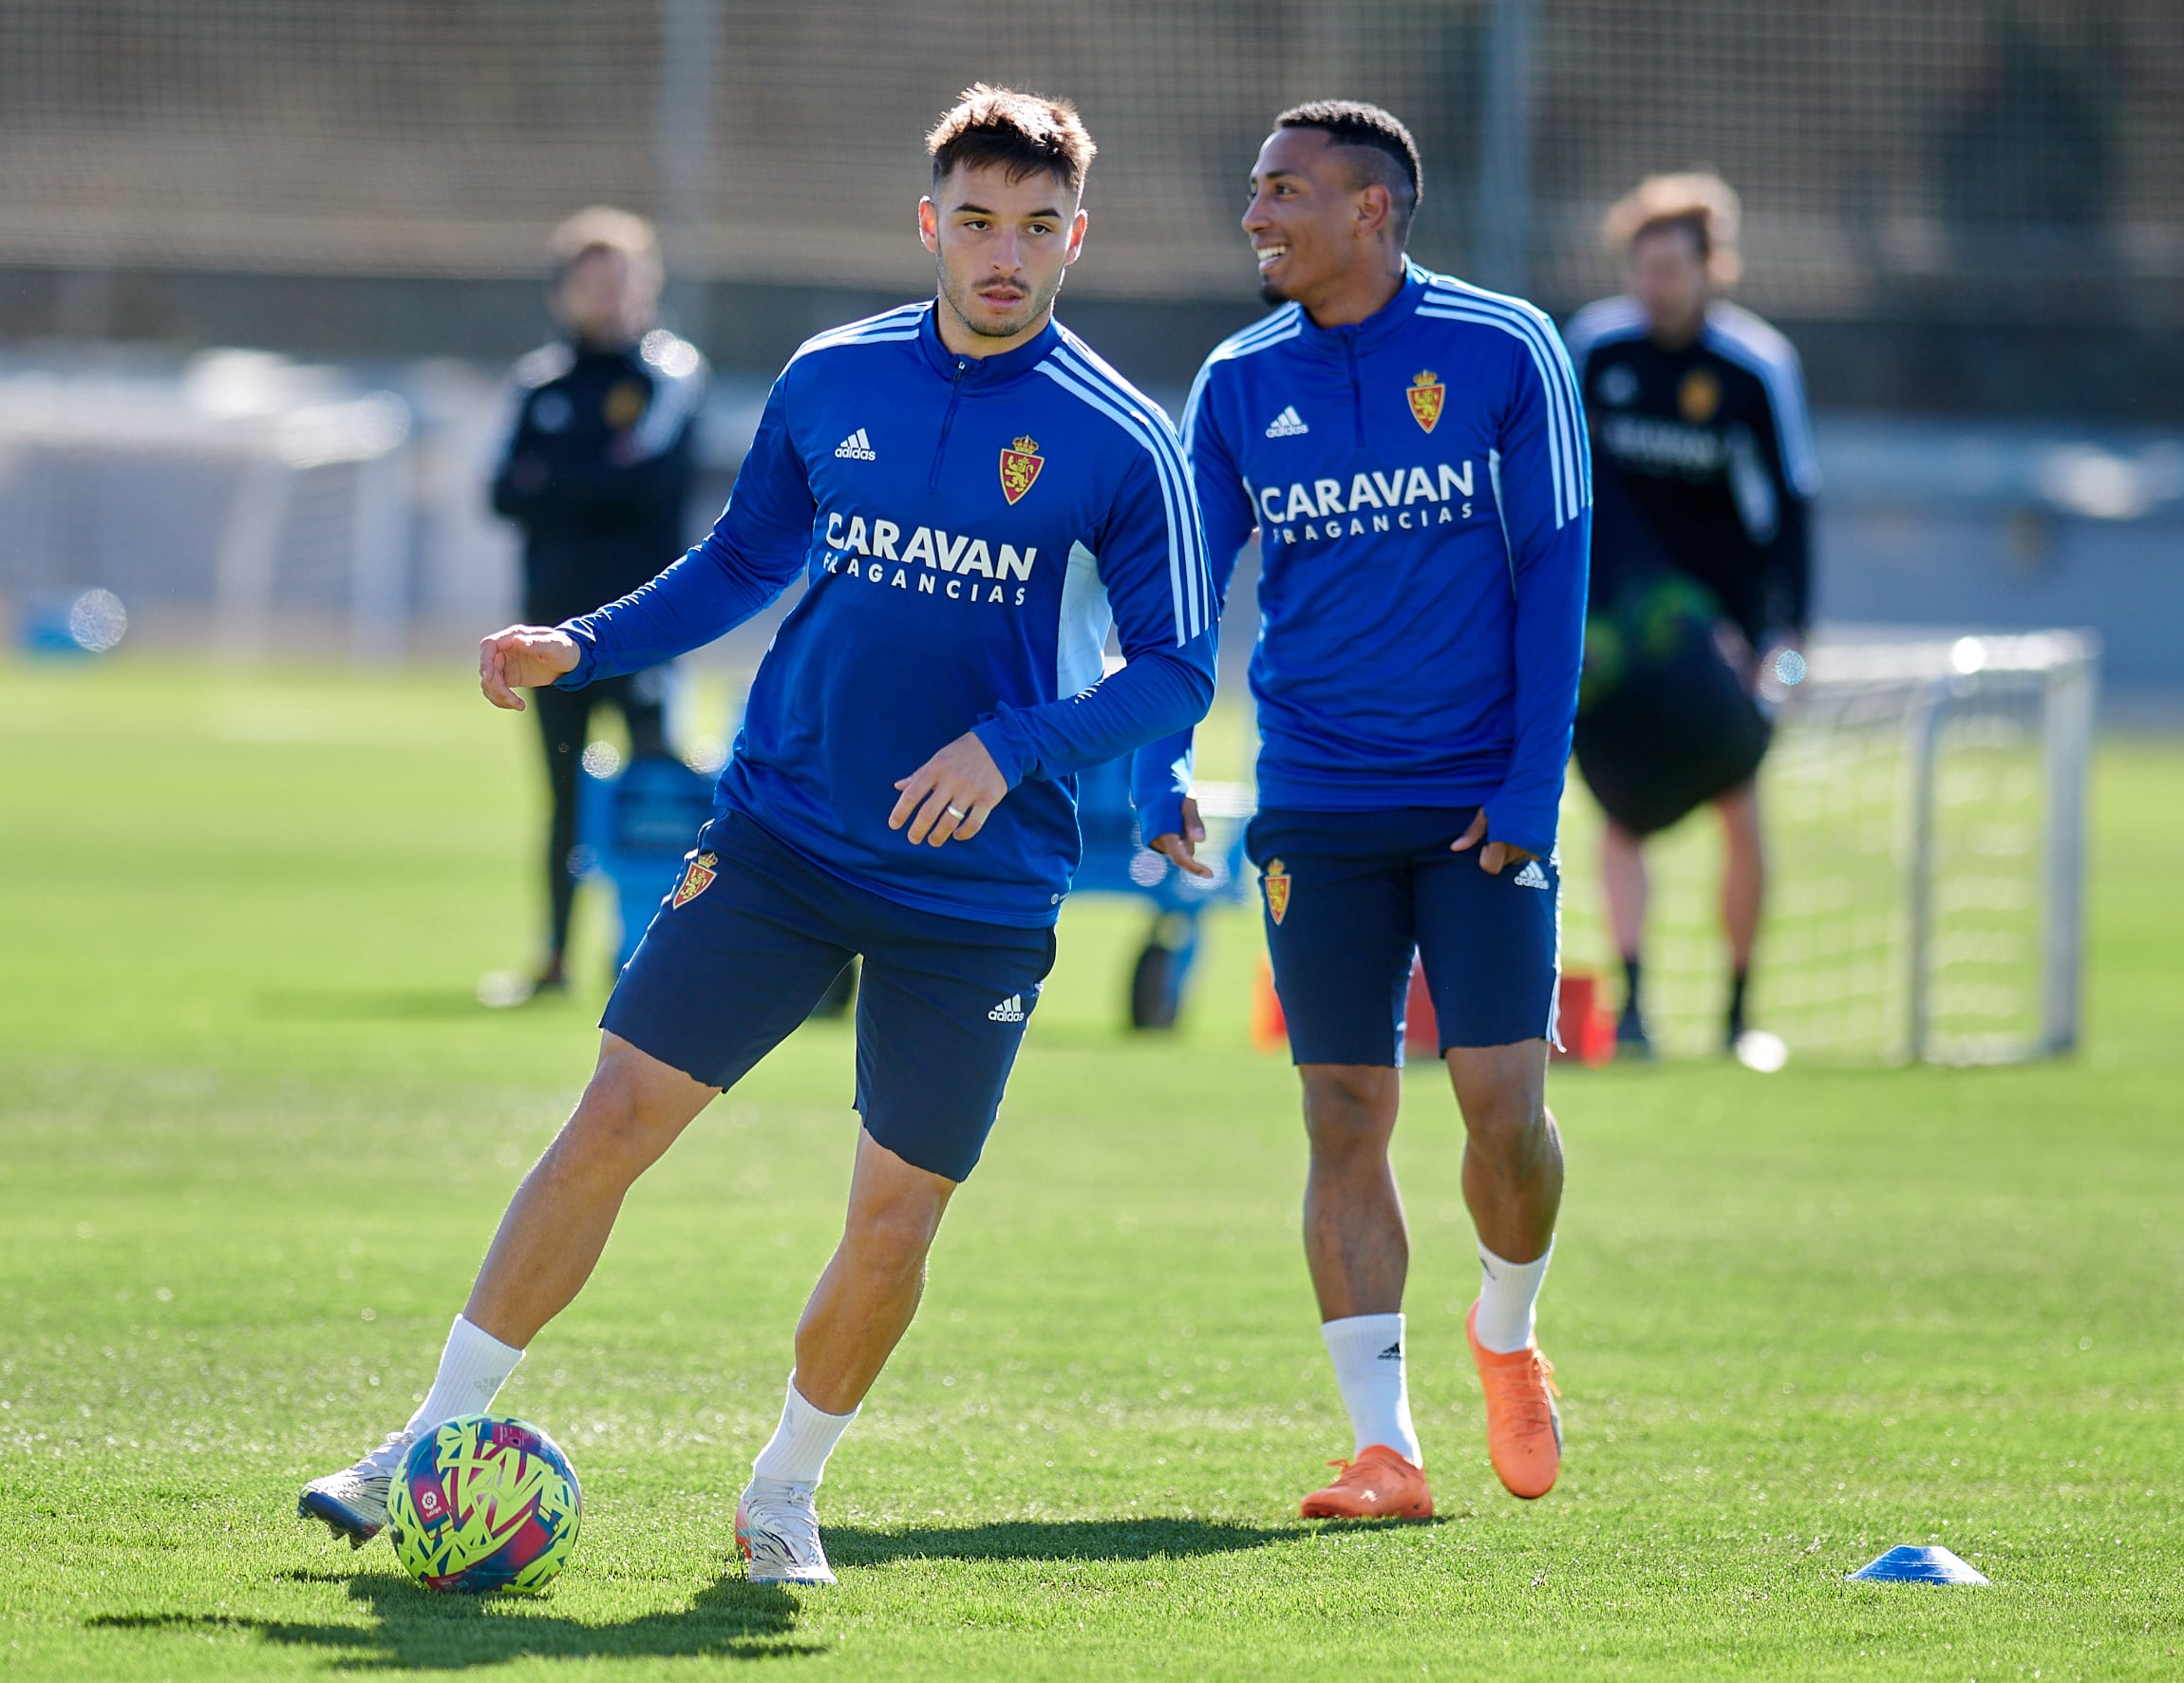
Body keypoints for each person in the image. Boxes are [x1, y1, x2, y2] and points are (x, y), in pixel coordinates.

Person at [300, 85, 1216, 1587]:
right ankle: (423, 1438)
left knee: (891, 1225)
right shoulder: (830, 375)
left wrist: (1010, 746)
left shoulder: (1122, 439)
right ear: (929, 222)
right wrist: (579, 645)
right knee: (609, 1120)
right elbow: (744, 559)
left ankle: (783, 1494)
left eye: (1037, 229)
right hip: (782, 835)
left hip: (976, 889)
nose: (1005, 254)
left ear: (1076, 239)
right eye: (977, 222)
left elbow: (1177, 667)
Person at [1140, 102, 1589, 1520]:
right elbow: (1182, 605)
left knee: (1500, 1111)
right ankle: (1382, 1446)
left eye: (1282, 192)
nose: (1256, 216)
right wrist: (1160, 765)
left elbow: (1557, 566)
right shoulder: (1232, 380)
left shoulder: (1503, 349)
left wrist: (1529, 778)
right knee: (1344, 1108)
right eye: (1254, 189)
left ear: (1370, 213)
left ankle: (1505, 1333)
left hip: (1477, 800)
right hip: (1317, 800)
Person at [1564, 173, 1819, 1059]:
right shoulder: (1595, 351)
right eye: (1643, 268)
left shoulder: (1754, 370)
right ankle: (1634, 1009)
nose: (1655, 286)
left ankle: (1739, 1015)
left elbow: (1790, 515)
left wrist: (1786, 647)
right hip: (1612, 639)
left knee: (1739, 809)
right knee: (1622, 815)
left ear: (1714, 267)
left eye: (1672, 268)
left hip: (1722, 636)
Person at [491, 206, 706, 994]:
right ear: (563, 292)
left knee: (660, 792)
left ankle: (654, 964)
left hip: (645, 630)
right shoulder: (539, 383)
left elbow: (641, 479)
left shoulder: (670, 374)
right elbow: (500, 492)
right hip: (550, 635)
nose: (610, 294)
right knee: (563, 797)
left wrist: (557, 480)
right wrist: (580, 481)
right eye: (593, 279)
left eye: (625, 277)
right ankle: (552, 960)